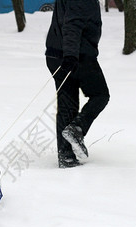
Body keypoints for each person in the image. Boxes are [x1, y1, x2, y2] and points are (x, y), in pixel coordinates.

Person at [45, 0, 110, 168]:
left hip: (55, 54)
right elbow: (72, 24)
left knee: (68, 105)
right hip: (76, 55)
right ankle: (77, 129)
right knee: (100, 95)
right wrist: (71, 56)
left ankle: (66, 156)